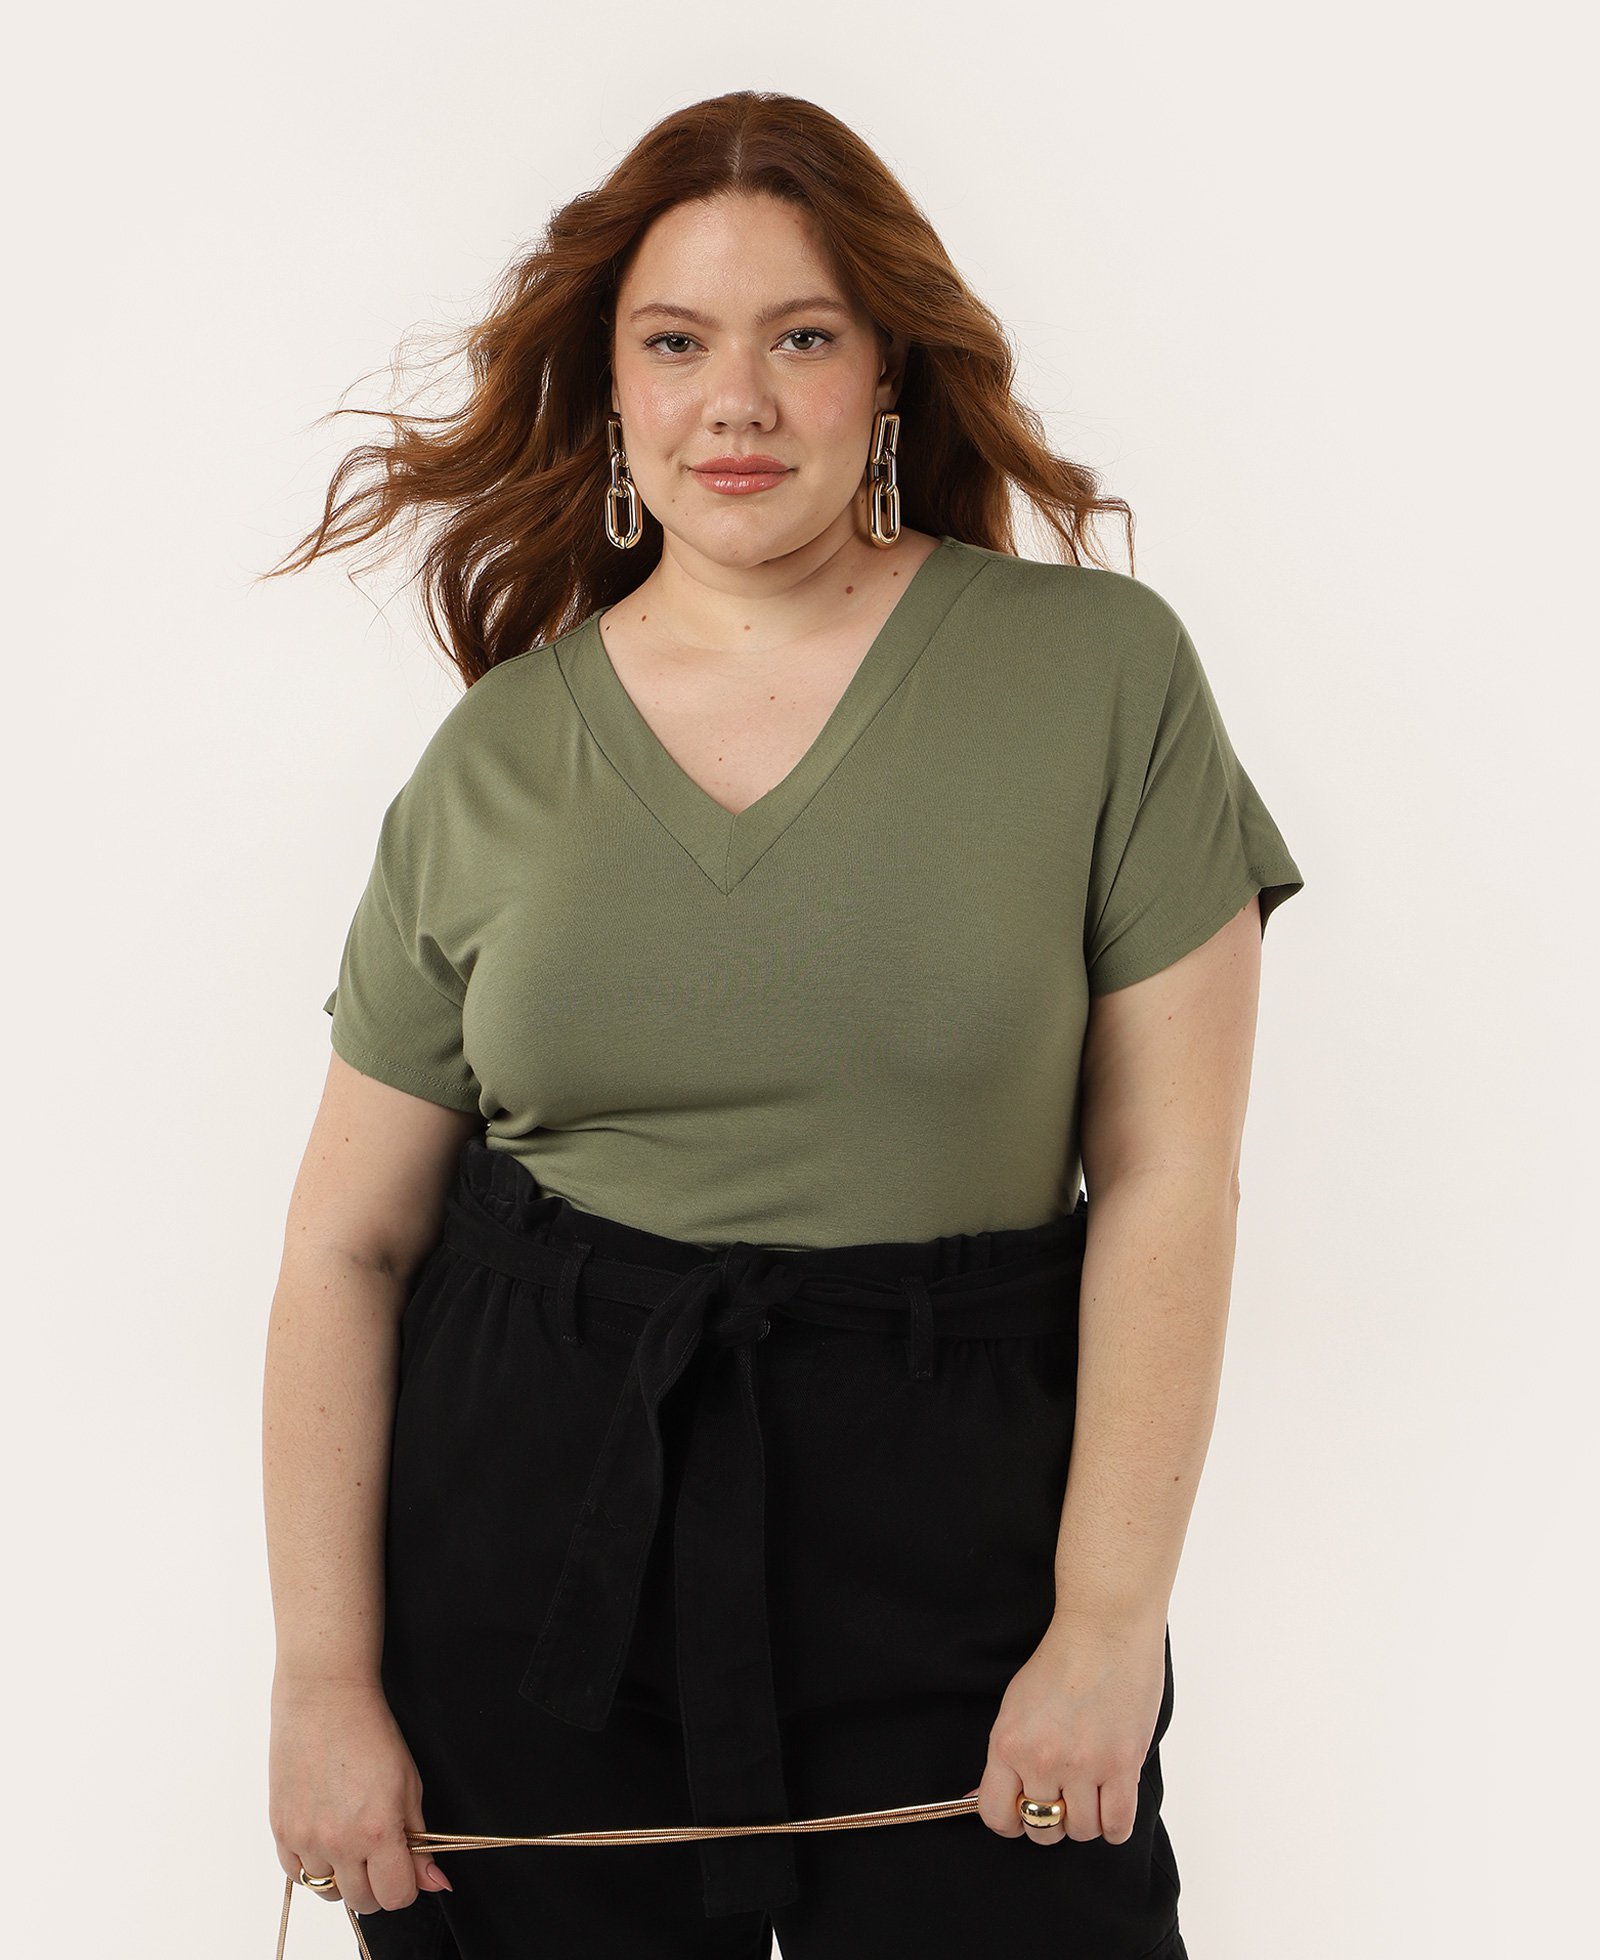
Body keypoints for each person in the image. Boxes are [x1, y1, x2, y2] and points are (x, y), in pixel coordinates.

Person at [260, 88, 1304, 1960]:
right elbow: (348, 1240)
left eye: (801, 338)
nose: (734, 403)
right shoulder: (500, 751)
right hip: (533, 1555)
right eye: (676, 343)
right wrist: (323, 1681)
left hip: (959, 1544)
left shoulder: (1098, 676)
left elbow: (1171, 1178)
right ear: (611, 385)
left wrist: (1109, 1625)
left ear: (886, 370)